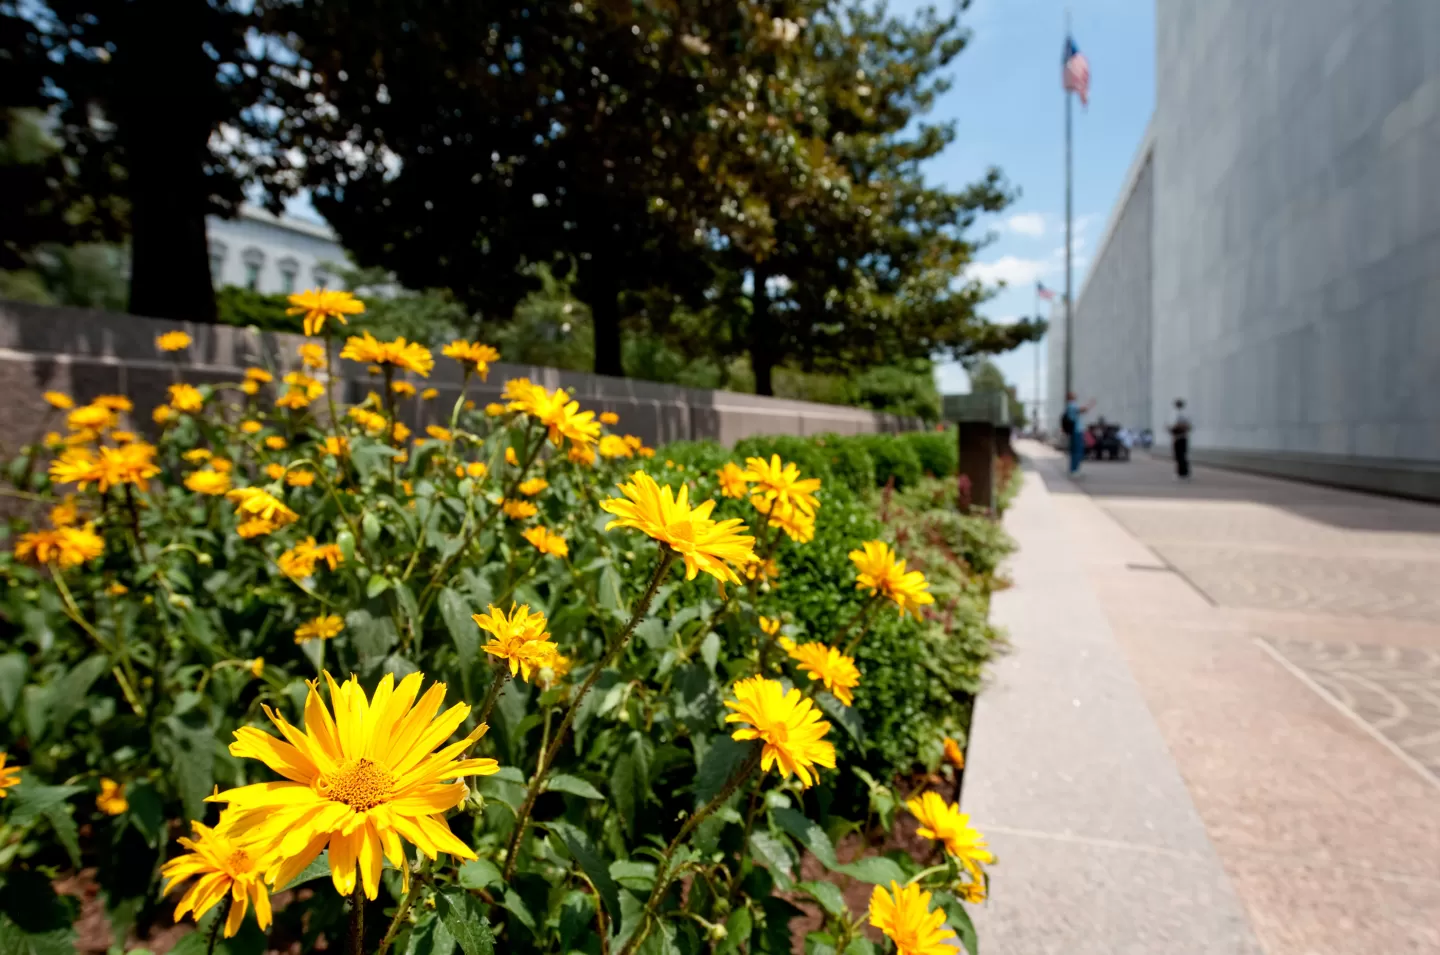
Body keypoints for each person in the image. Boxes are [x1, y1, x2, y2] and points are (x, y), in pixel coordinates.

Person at [1061, 392, 1094, 475]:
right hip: (1076, 431)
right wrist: (1090, 404)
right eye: (1073, 394)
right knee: (1077, 451)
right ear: (1070, 397)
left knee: (1076, 451)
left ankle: (1074, 469)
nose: (1076, 395)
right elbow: (1082, 410)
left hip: (1076, 431)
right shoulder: (1071, 405)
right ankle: (1074, 470)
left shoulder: (1070, 405)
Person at [1169, 398, 1192, 479]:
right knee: (1180, 455)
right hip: (1181, 437)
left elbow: (1184, 426)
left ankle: (1183, 472)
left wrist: (1175, 428)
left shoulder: (1181, 414)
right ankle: (1182, 472)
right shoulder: (1180, 414)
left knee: (1180, 455)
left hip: (1180, 437)